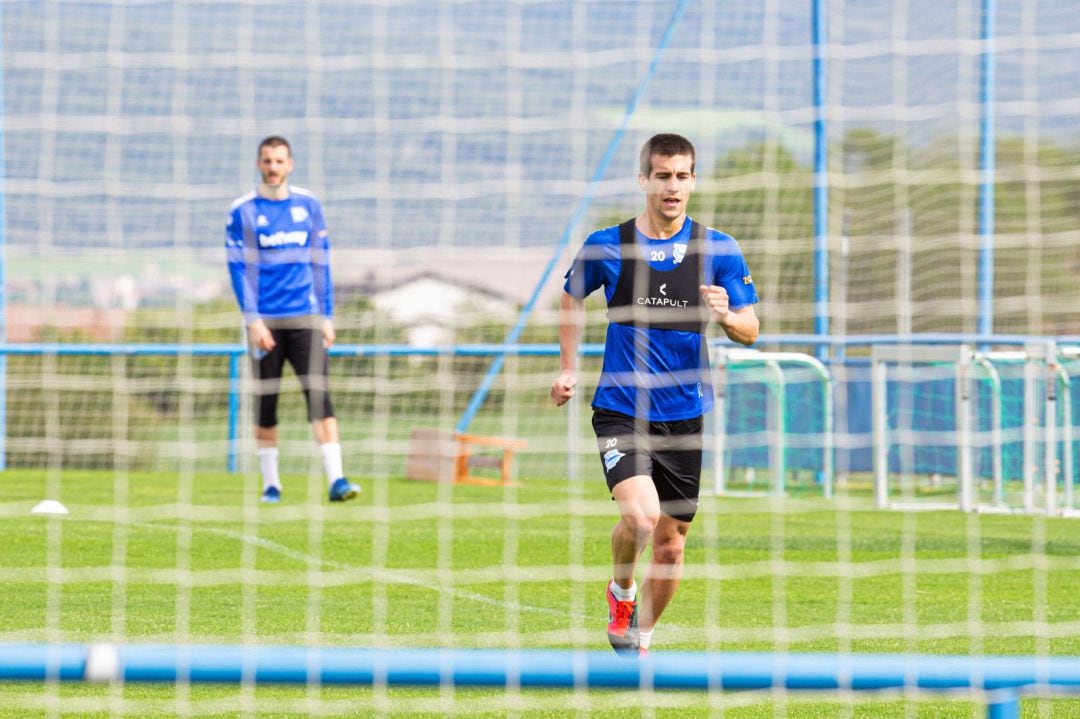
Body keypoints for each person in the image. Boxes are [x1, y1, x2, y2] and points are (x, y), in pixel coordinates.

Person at [551, 133, 759, 657]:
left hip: (687, 413)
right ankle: (621, 591)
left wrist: (726, 314)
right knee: (641, 517)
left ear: (693, 181)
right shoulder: (608, 244)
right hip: (622, 406)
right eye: (663, 175)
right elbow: (570, 299)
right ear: (643, 180)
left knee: (671, 541)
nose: (673, 186)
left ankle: (638, 637)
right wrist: (568, 368)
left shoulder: (718, 248)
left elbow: (751, 329)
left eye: (682, 176)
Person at [225, 135, 360, 504]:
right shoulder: (243, 211)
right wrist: (252, 320)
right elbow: (238, 270)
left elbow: (322, 265)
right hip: (265, 325)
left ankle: (337, 480)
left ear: (290, 164)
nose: (273, 168)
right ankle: (271, 484)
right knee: (266, 405)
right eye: (267, 161)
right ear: (258, 164)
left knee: (319, 398)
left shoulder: (309, 206)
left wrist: (327, 315)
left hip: (306, 320)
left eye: (279, 161)